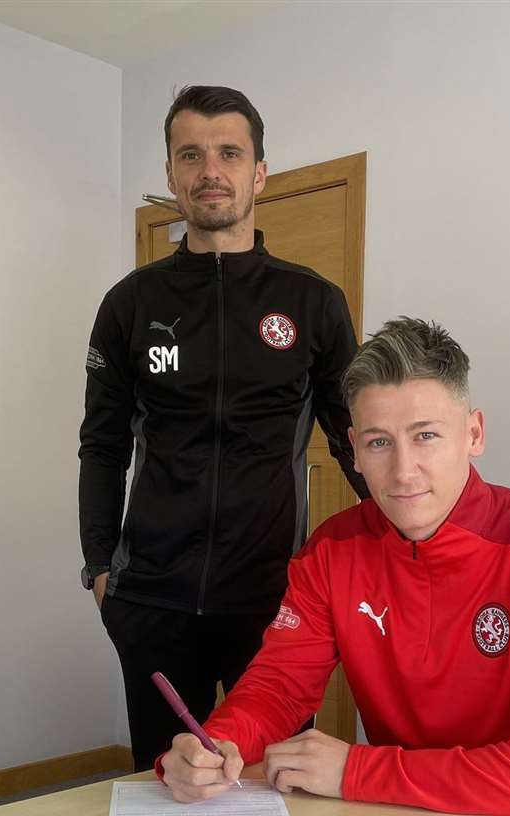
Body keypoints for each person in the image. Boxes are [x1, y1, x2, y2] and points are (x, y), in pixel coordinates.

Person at [159, 317, 510, 816]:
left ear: (473, 434)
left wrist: (357, 772)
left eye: (426, 436)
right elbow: (279, 686)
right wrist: (220, 742)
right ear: (355, 451)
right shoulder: (333, 550)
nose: (403, 471)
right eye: (379, 443)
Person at [79, 85, 366, 771]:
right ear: (173, 175)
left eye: (229, 153)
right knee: (165, 779)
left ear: (258, 172)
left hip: (269, 600)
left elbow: (358, 441)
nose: (211, 170)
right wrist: (98, 566)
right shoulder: (130, 304)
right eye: (192, 155)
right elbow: (103, 442)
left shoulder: (313, 302)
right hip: (150, 599)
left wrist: (407, 549)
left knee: (274, 783)